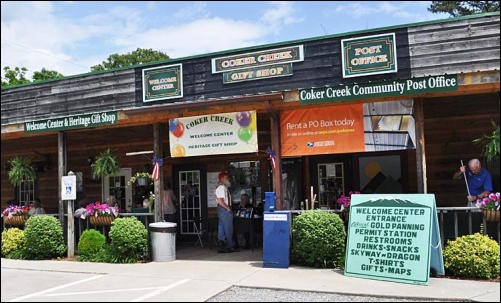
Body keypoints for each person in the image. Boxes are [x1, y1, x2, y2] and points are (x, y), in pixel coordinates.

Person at [215, 171, 238, 253]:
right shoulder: (221, 187)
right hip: (224, 209)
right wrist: (228, 208)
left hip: (222, 209)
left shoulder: (223, 187)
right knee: (228, 228)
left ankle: (222, 246)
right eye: (227, 178)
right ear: (222, 179)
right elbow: (220, 201)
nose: (228, 179)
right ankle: (230, 246)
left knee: (222, 228)